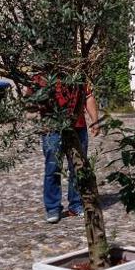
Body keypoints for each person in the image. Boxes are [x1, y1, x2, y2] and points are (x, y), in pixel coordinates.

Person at [40, 76, 98, 224]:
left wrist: (95, 121)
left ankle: (76, 204)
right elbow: (31, 100)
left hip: (78, 128)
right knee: (53, 168)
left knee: (78, 167)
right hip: (52, 129)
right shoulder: (41, 75)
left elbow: (89, 96)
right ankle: (52, 208)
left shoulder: (78, 72)